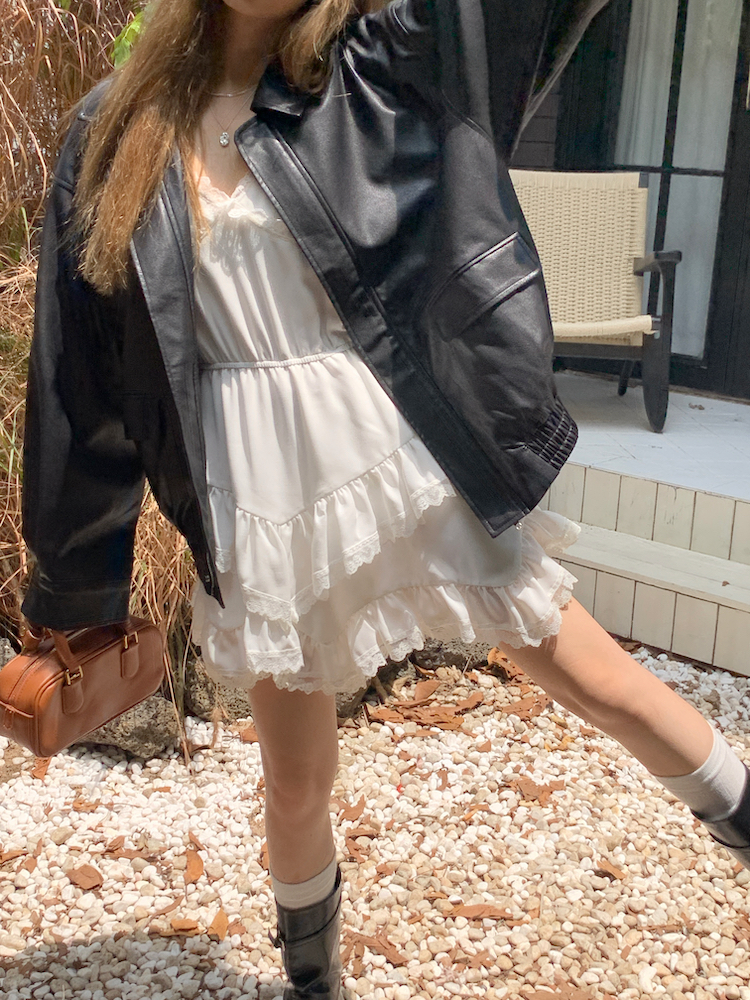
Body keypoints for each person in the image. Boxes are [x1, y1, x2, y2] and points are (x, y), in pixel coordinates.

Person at [21, 0, 750, 996]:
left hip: (388, 451)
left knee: (595, 676)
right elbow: (79, 378)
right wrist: (74, 585)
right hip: (256, 493)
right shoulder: (117, 127)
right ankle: (312, 976)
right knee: (294, 780)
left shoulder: (375, 68)